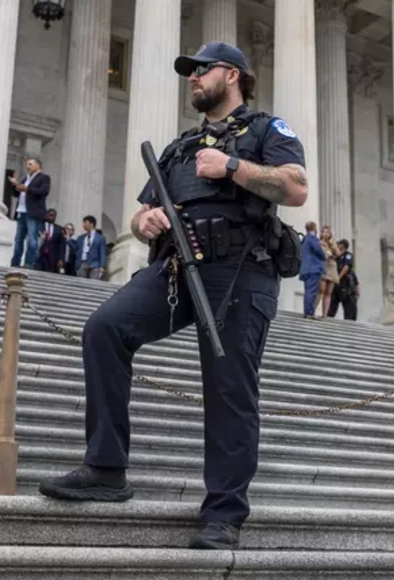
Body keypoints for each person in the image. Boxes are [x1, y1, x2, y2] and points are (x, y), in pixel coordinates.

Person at [38, 42, 308, 552]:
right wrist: (147, 222)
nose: (192, 79)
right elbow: (142, 215)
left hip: (239, 270)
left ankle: (224, 513)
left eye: (201, 71)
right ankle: (106, 467)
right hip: (176, 267)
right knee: (105, 328)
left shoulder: (267, 131)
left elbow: (295, 188)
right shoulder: (179, 147)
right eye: (190, 72)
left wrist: (232, 168)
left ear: (232, 75)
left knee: (229, 384)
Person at [10, 157, 51, 268]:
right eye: (27, 164)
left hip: (33, 212)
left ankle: (29, 263)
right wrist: (15, 185)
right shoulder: (25, 179)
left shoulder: (44, 177)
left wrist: (27, 189)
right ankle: (15, 263)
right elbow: (16, 194)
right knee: (18, 239)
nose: (28, 166)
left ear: (38, 165)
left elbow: (44, 191)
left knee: (32, 239)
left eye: (30, 164)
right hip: (21, 211)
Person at [326, 239, 358, 321]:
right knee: (332, 304)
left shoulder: (348, 255)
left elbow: (346, 267)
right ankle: (328, 318)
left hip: (345, 284)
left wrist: (338, 277)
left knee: (349, 307)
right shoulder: (336, 256)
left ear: (343, 246)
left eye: (339, 244)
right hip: (336, 284)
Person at [299, 221, 325, 318]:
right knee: (312, 291)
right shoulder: (313, 239)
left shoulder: (304, 239)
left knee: (308, 291)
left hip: (305, 269)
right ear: (314, 228)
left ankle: (307, 311)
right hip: (313, 268)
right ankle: (310, 312)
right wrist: (324, 256)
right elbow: (318, 251)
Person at [76, 215, 107, 279]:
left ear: (92, 224)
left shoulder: (100, 238)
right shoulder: (81, 238)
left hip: (95, 264)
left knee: (94, 283)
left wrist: (102, 266)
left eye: (85, 222)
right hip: (82, 263)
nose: (83, 224)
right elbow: (76, 249)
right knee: (80, 283)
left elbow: (102, 252)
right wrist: (68, 240)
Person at [318, 225, 339, 317]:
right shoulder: (318, 242)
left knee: (329, 292)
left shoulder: (332, 243)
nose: (325, 234)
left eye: (327, 232)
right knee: (321, 289)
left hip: (332, 267)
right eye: (323, 232)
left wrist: (332, 244)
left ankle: (325, 314)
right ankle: (313, 310)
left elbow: (338, 253)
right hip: (323, 266)